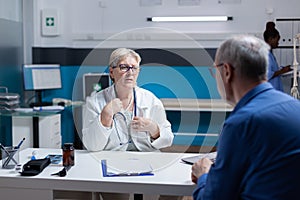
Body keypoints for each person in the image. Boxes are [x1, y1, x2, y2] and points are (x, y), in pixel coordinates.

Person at [191, 35, 300, 199]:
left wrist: (203, 175)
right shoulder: (295, 107)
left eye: (215, 71)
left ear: (226, 71)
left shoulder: (242, 123)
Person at [82, 48, 174, 200]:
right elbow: (91, 146)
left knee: (165, 191)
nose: (130, 72)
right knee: (117, 196)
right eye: (124, 67)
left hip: (148, 159)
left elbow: (168, 139)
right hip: (112, 162)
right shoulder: (95, 102)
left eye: (134, 67)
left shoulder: (150, 100)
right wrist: (105, 115)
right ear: (112, 72)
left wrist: (154, 129)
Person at [263, 21, 291, 91]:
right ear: (270, 39)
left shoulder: (269, 53)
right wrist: (282, 71)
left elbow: (272, 69)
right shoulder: (265, 54)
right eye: (277, 40)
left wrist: (283, 69)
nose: (278, 43)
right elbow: (267, 75)